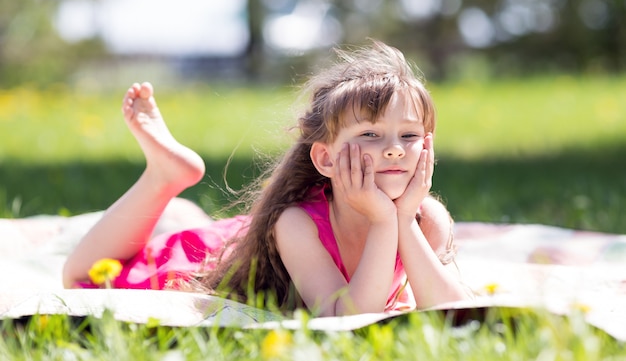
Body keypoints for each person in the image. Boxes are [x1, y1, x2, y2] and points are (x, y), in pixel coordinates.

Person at [63, 40, 471, 316]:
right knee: (80, 276)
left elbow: (456, 311)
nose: (395, 149)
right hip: (206, 260)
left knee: (184, 218)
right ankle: (162, 177)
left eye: (410, 135)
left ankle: (178, 206)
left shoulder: (425, 219)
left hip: (235, 236)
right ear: (325, 158)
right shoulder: (295, 223)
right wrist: (384, 221)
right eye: (370, 134)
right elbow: (347, 318)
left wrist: (402, 220)